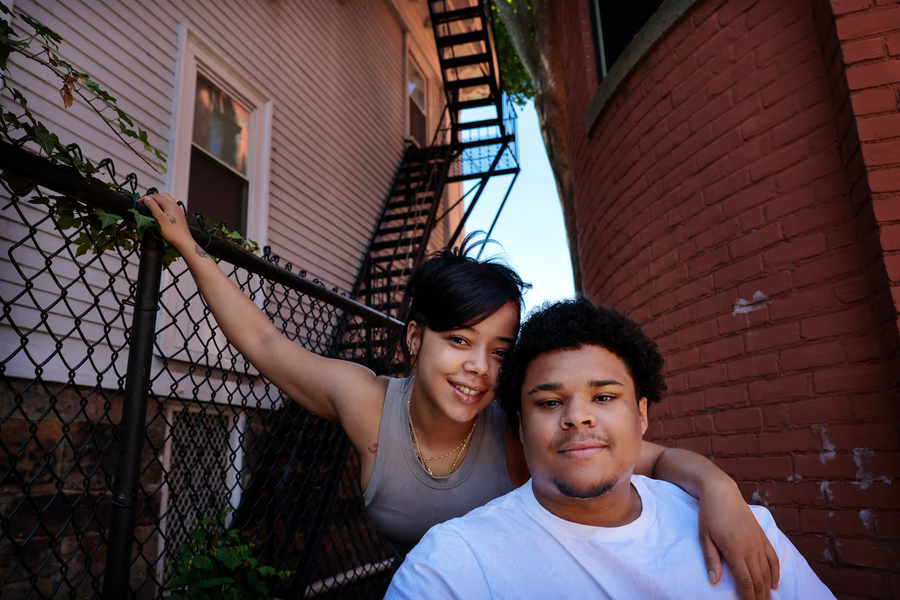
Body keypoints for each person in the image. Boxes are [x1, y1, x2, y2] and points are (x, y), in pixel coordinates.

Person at [141, 194, 779, 598]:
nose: (479, 368)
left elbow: (656, 457)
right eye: (458, 339)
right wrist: (189, 249)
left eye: (500, 351)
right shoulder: (367, 405)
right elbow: (266, 343)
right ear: (415, 338)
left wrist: (722, 494)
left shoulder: (519, 430)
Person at [386, 299, 833, 600]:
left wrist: (717, 486)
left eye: (603, 397)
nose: (578, 417)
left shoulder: (748, 529)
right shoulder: (452, 566)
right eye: (548, 402)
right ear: (520, 426)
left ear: (641, 413)